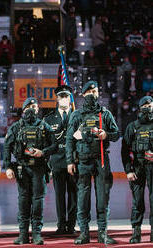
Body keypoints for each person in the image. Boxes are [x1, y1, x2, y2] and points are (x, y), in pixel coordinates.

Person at [66, 81, 120, 245]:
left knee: (103, 197)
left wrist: (106, 135)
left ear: (98, 94)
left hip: (101, 160)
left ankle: (103, 233)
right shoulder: (76, 115)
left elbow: (116, 133)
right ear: (83, 94)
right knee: (83, 198)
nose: (92, 93)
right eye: (89, 91)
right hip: (82, 162)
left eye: (94, 91)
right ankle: (84, 233)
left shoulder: (105, 114)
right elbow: (69, 139)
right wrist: (70, 161)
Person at [3, 97, 55, 245]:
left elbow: (55, 146)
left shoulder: (45, 126)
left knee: (38, 201)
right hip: (22, 168)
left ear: (38, 109)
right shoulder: (16, 127)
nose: (31, 109)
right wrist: (7, 167)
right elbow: (7, 146)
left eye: (34, 107)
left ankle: (37, 234)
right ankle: (23, 234)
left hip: (39, 168)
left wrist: (43, 152)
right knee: (23, 201)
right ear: (23, 110)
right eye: (28, 107)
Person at [44, 85, 77, 234]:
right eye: (61, 96)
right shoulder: (49, 118)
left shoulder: (77, 116)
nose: (64, 99)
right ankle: (61, 224)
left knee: (73, 194)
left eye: (66, 96)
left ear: (70, 98)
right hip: (57, 161)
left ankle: (71, 225)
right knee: (59, 195)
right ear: (57, 98)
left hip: (74, 161)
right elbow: (45, 142)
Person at [121, 96, 153, 243]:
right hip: (138, 168)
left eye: (150, 104)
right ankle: (136, 231)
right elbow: (125, 151)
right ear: (140, 107)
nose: (148, 106)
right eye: (145, 104)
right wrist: (128, 170)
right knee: (137, 201)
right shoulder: (132, 126)